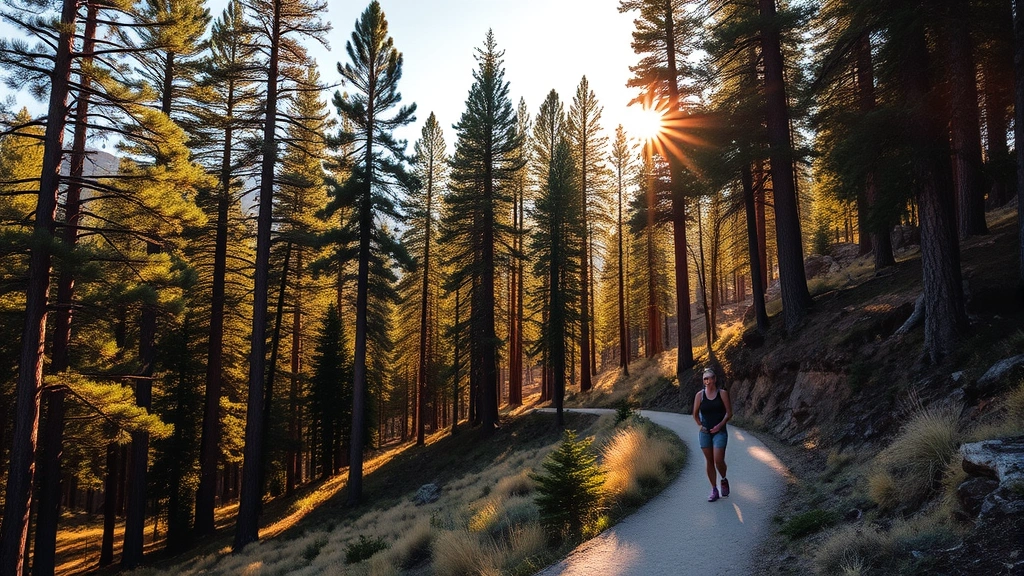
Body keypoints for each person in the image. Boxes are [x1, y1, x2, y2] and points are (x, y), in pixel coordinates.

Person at [693, 367, 732, 502]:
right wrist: (701, 425)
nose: (708, 381)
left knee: (718, 460)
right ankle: (714, 489)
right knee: (709, 461)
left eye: (710, 378)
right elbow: (695, 413)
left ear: (715, 379)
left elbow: (729, 413)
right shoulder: (700, 395)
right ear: (703, 381)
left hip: (720, 432)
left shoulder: (722, 393)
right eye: (705, 379)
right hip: (705, 433)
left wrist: (720, 425)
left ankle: (723, 479)